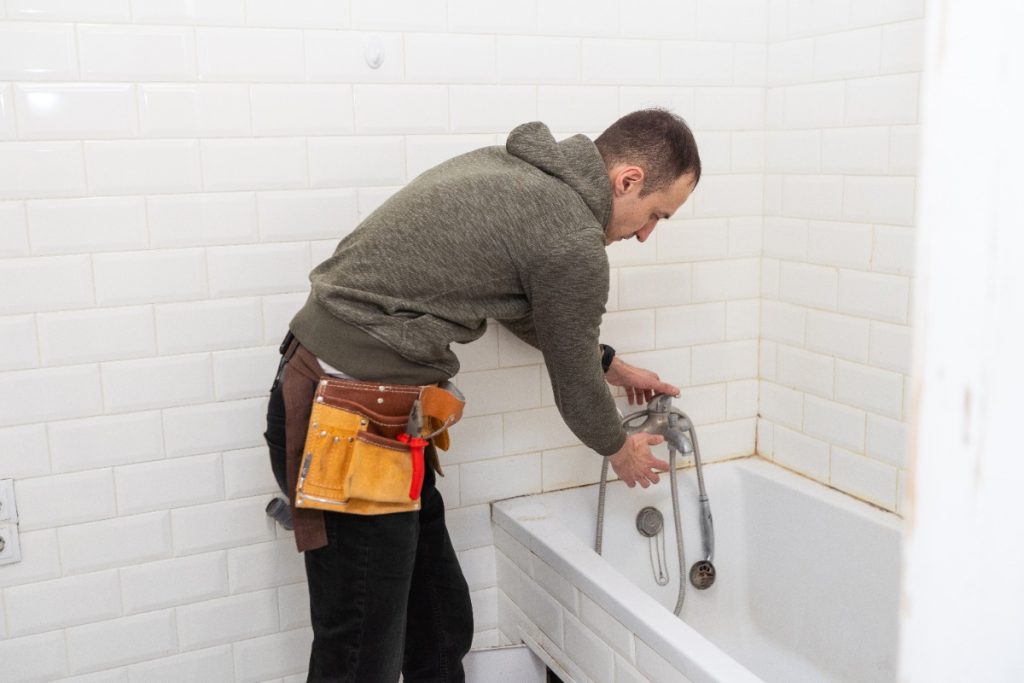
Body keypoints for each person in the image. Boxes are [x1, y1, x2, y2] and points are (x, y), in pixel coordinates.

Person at [263, 108, 701, 682]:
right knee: (358, 658)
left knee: (440, 623)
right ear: (628, 180)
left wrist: (609, 365)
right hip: (347, 422)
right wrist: (620, 448)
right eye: (656, 214)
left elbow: (532, 312)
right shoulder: (572, 236)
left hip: (368, 412)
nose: (645, 234)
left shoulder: (524, 177)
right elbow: (573, 381)